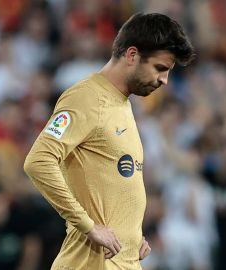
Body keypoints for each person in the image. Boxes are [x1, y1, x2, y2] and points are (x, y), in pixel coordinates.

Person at [23, 13, 194, 270]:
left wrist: (132, 237)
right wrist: (87, 225)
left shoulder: (123, 104)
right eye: (160, 68)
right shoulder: (86, 97)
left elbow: (112, 183)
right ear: (132, 55)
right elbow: (38, 161)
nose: (164, 80)